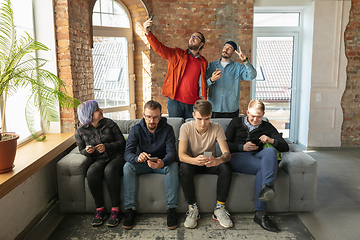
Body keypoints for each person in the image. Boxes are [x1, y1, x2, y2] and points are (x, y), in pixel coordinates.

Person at [225, 100, 289, 232]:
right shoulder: (235, 123)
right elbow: (224, 145)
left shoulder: (267, 126)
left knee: (270, 151)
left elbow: (285, 146)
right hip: (237, 156)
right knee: (264, 167)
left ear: (263, 114)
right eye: (252, 116)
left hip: (257, 155)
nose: (255, 119)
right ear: (247, 112)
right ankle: (261, 214)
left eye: (258, 117)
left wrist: (271, 140)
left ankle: (267, 187)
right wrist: (241, 147)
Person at [123, 100, 179, 230]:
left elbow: (172, 153)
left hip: (161, 164)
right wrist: (137, 158)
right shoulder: (135, 129)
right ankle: (130, 209)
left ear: (160, 116)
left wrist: (162, 163)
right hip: (142, 164)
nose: (152, 121)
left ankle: (171, 209)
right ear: (143, 115)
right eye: (148, 117)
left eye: (155, 117)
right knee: (127, 166)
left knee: (174, 167)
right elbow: (127, 154)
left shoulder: (168, 129)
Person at [178, 100, 233, 229]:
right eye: (199, 119)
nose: (203, 123)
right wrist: (195, 160)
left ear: (211, 115)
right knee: (184, 167)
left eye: (207, 119)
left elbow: (227, 154)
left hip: (210, 163)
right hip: (193, 162)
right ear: (193, 115)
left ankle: (219, 208)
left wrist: (218, 160)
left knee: (226, 166)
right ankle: (192, 209)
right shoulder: (185, 127)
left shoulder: (217, 128)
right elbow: (181, 155)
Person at [143, 17, 208, 119]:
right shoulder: (177, 54)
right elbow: (159, 48)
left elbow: (203, 82)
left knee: (190, 131)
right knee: (175, 130)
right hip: (175, 101)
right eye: (191, 36)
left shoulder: (204, 62)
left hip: (194, 103)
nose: (192, 38)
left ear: (201, 44)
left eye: (196, 37)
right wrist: (148, 33)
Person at [75, 100, 126, 227]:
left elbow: (122, 142)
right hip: (98, 159)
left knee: (110, 171)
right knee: (91, 173)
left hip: (117, 157)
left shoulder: (110, 124)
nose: (101, 111)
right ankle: (100, 209)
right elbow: (81, 150)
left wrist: (107, 147)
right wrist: (87, 151)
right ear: (89, 114)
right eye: (97, 110)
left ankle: (115, 209)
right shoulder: (80, 132)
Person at [205, 41, 257, 118]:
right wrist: (211, 80)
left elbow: (252, 76)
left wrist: (245, 61)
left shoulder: (238, 67)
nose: (225, 49)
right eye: (225, 47)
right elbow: (203, 85)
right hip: (214, 108)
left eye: (229, 48)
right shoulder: (211, 65)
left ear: (233, 53)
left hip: (231, 109)